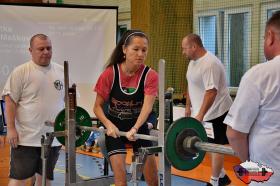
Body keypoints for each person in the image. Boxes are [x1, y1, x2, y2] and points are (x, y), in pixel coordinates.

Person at [93, 30, 158, 186]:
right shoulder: (109, 74)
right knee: (121, 181)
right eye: (135, 49)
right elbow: (97, 107)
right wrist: (108, 125)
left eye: (144, 50)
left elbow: (147, 107)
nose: (140, 54)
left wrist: (135, 128)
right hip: (115, 129)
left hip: (138, 128)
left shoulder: (151, 75)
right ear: (124, 49)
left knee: (153, 181)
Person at [224, 11, 280, 186]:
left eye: (264, 37)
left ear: (270, 37)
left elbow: (234, 134)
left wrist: (247, 163)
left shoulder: (259, 74)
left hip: (267, 175)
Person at [2, 34, 64, 186]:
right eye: (41, 49)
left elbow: (69, 101)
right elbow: (9, 101)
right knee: (19, 180)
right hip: (26, 138)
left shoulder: (61, 71)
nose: (45, 52)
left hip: (52, 138)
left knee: (45, 180)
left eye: (48, 48)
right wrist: (10, 128)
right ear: (30, 50)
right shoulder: (21, 71)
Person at [182, 34, 233, 186]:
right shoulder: (193, 62)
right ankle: (222, 176)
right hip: (203, 112)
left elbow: (212, 91)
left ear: (194, 47)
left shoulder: (210, 63)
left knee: (215, 147)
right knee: (208, 145)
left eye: (184, 49)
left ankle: (215, 181)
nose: (183, 52)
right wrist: (188, 107)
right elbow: (190, 83)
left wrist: (201, 114)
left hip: (217, 111)